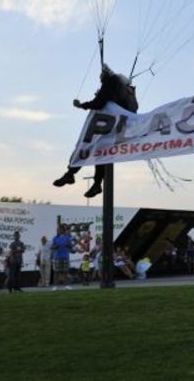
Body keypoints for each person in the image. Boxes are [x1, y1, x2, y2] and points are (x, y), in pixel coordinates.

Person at [53, 65, 139, 198]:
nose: (100, 78)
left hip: (104, 125)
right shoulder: (129, 92)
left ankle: (72, 174)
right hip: (118, 127)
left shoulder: (111, 82)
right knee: (101, 153)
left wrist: (82, 105)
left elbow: (98, 103)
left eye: (101, 76)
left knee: (86, 147)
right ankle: (94, 183)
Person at [51, 224, 73, 290]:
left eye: (58, 229)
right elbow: (52, 247)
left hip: (65, 256)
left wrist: (68, 245)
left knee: (65, 271)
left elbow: (71, 246)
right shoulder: (55, 238)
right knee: (56, 272)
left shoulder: (67, 237)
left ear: (63, 230)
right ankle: (55, 286)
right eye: (57, 229)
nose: (57, 230)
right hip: (57, 256)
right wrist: (55, 246)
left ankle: (66, 286)